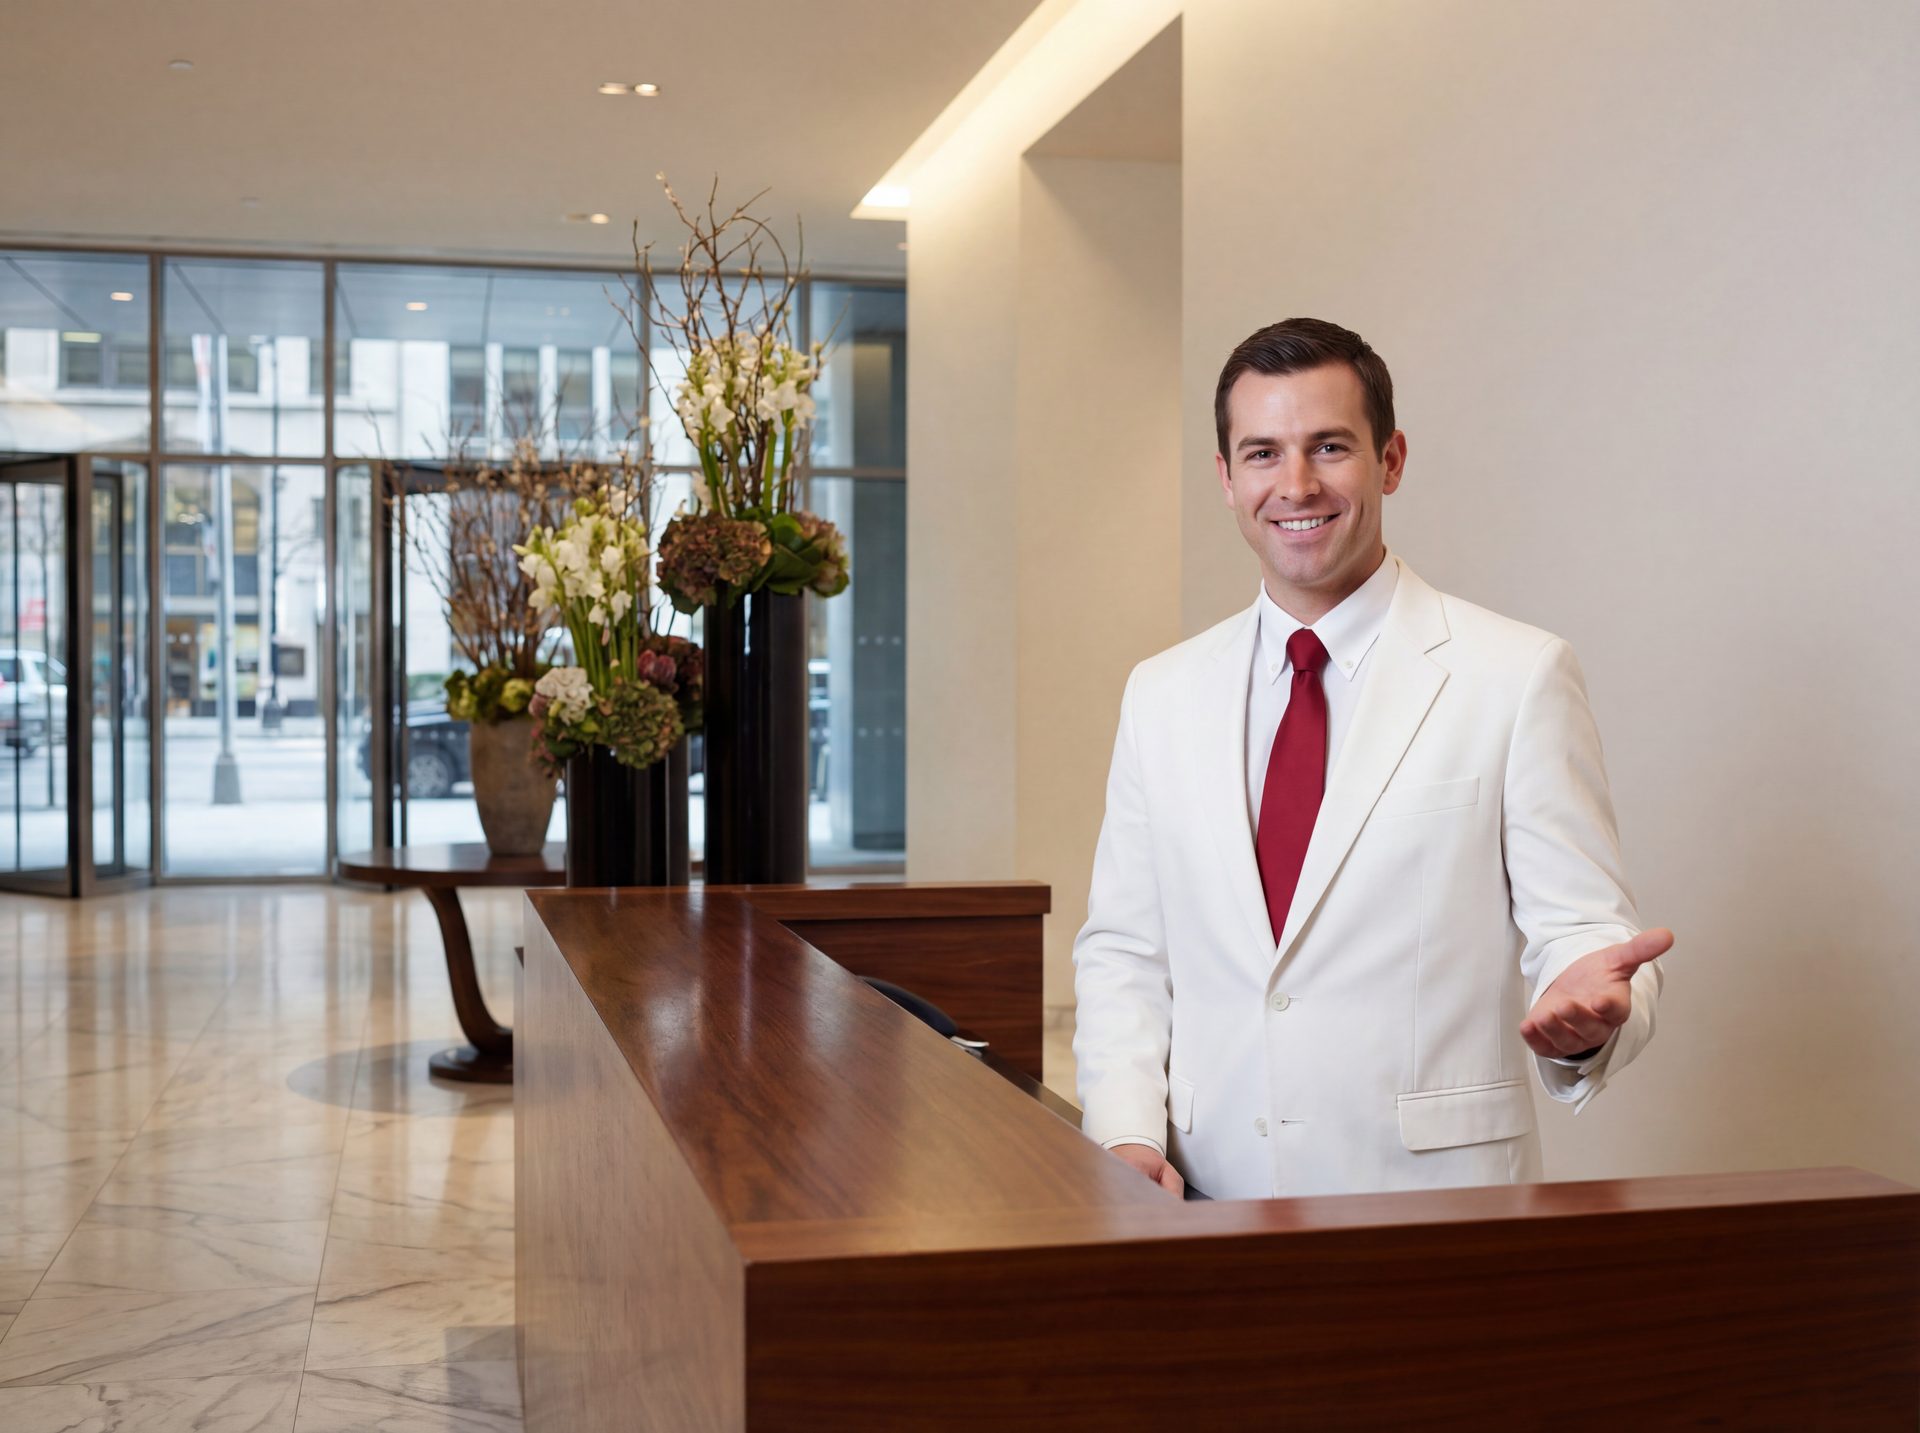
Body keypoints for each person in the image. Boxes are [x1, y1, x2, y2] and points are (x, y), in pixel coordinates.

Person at [1072, 317, 1670, 1200]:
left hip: (1436, 1209)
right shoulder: (1161, 692)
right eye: (1264, 453)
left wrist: (1592, 1020)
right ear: (1227, 479)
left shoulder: (1516, 675)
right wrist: (1123, 1135)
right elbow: (1126, 949)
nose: (1297, 483)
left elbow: (1584, 933)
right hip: (1201, 1200)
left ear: (1390, 460)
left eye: (1330, 446)